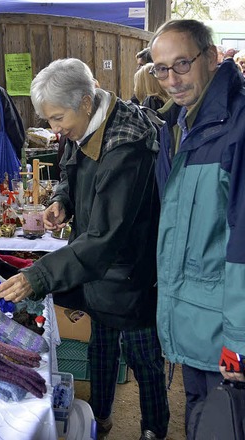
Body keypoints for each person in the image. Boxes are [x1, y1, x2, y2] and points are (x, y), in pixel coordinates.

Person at [0, 58, 169, 440]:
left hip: (131, 272)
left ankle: (154, 429)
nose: (55, 129)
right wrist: (62, 200)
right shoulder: (85, 128)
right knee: (101, 351)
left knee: (144, 359)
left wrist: (38, 275)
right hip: (93, 267)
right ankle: (100, 418)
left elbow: (107, 234)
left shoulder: (128, 145)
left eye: (58, 118)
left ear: (86, 102)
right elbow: (71, 175)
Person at [148, 19, 245, 435]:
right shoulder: (176, 126)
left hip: (225, 336)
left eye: (182, 64)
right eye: (160, 69)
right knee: (201, 421)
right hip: (192, 325)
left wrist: (238, 347)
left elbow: (242, 246)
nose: (172, 79)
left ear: (211, 57)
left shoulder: (236, 130)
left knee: (228, 422)